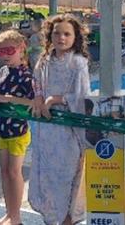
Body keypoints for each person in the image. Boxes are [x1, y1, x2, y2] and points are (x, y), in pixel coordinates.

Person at [28, 14, 90, 225]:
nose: (61, 37)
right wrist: (38, 97)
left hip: (69, 136)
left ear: (75, 37)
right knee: (47, 181)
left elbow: (83, 98)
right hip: (46, 134)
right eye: (57, 33)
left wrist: (57, 99)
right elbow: (36, 84)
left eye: (66, 34)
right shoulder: (43, 61)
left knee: (67, 181)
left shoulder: (78, 64)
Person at [0, 29, 36, 225]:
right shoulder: (3, 71)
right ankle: (9, 212)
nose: (5, 55)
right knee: (5, 172)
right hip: (2, 129)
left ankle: (16, 216)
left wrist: (6, 98)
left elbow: (33, 102)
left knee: (14, 173)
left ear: (21, 49)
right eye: (1, 52)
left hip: (18, 130)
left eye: (9, 50)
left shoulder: (26, 75)